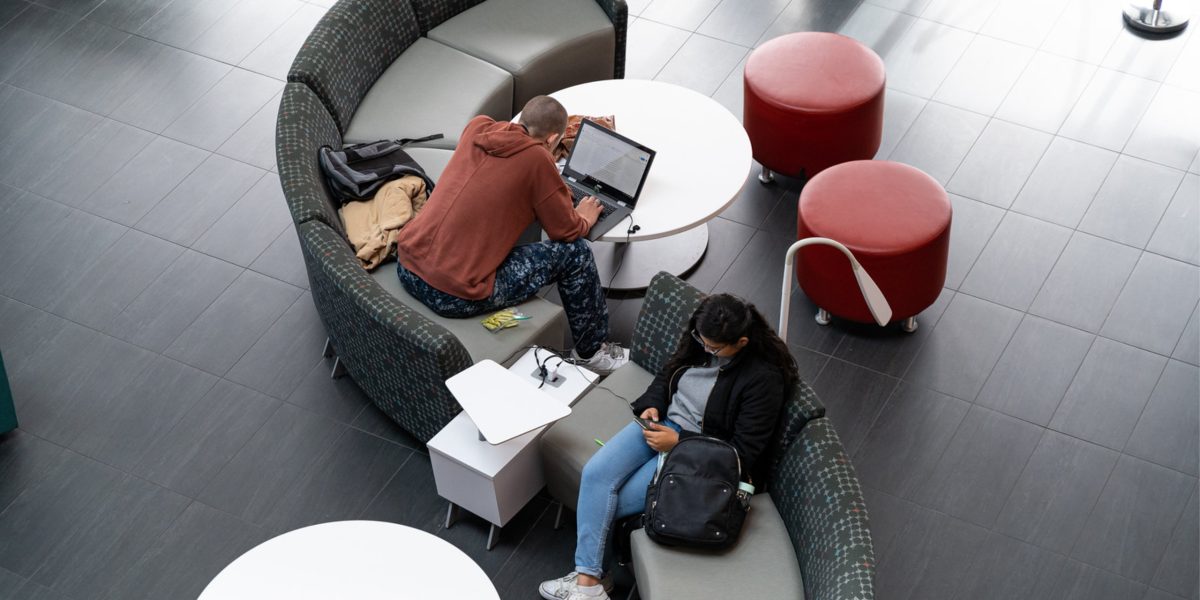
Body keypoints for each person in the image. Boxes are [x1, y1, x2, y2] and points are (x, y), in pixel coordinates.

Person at [539, 294, 799, 600]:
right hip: (660, 425)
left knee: (614, 502)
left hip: (696, 453)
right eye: (702, 341)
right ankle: (593, 584)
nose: (706, 350)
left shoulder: (763, 380)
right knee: (595, 475)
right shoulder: (700, 342)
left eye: (715, 348)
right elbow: (668, 374)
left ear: (741, 342)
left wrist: (679, 443)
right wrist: (652, 404)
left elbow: (743, 453)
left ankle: (591, 582)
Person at [394, 96, 627, 372]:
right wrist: (585, 218)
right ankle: (593, 353)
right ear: (553, 139)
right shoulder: (538, 159)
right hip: (452, 294)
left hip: (407, 264)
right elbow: (565, 231)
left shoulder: (479, 127)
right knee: (576, 253)